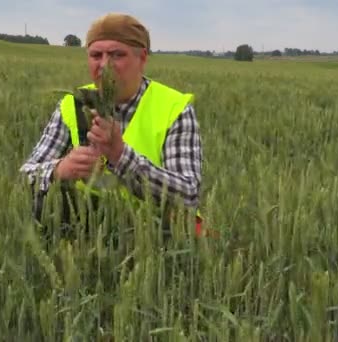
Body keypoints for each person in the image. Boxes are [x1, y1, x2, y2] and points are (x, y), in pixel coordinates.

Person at [19, 13, 204, 240]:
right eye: (96, 55)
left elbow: (188, 195)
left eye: (117, 55)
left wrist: (120, 154)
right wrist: (60, 169)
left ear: (142, 58)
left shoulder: (173, 108)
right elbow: (25, 177)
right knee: (40, 204)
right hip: (87, 224)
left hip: (150, 232)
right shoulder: (73, 103)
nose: (104, 65)